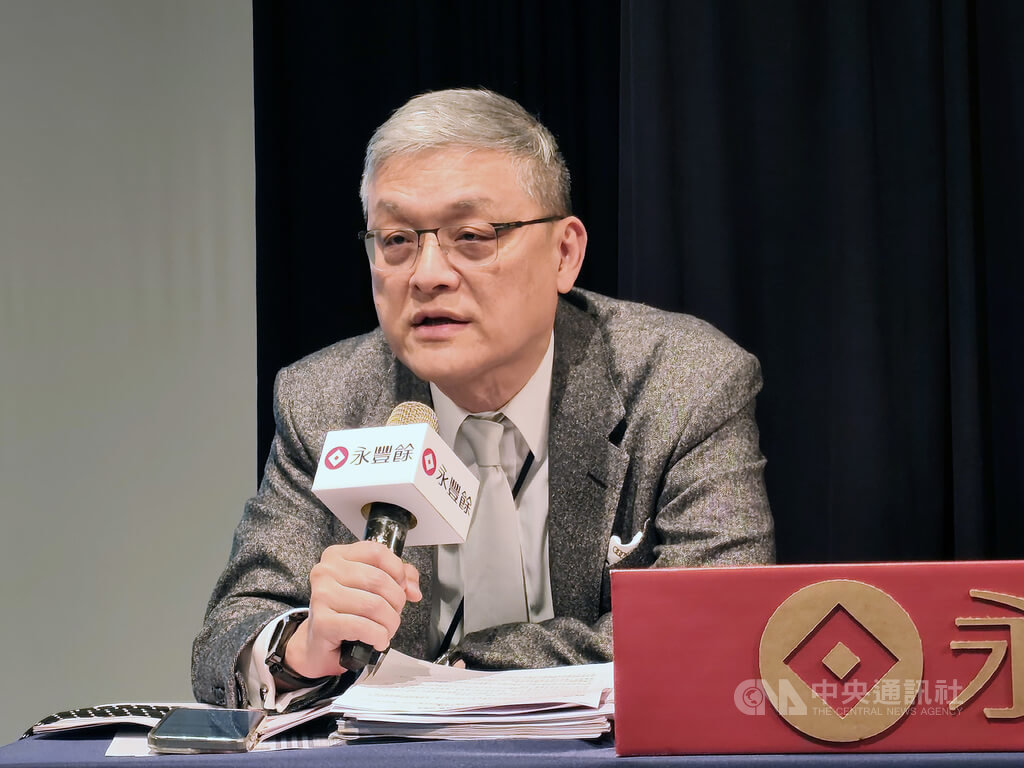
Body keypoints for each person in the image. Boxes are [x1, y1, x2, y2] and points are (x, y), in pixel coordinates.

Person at [191, 88, 775, 712]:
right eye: (396, 240)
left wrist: (457, 673)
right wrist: (303, 647)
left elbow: (720, 618)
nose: (427, 275)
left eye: (471, 236)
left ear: (564, 254)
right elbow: (227, 639)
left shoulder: (683, 382)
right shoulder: (325, 401)